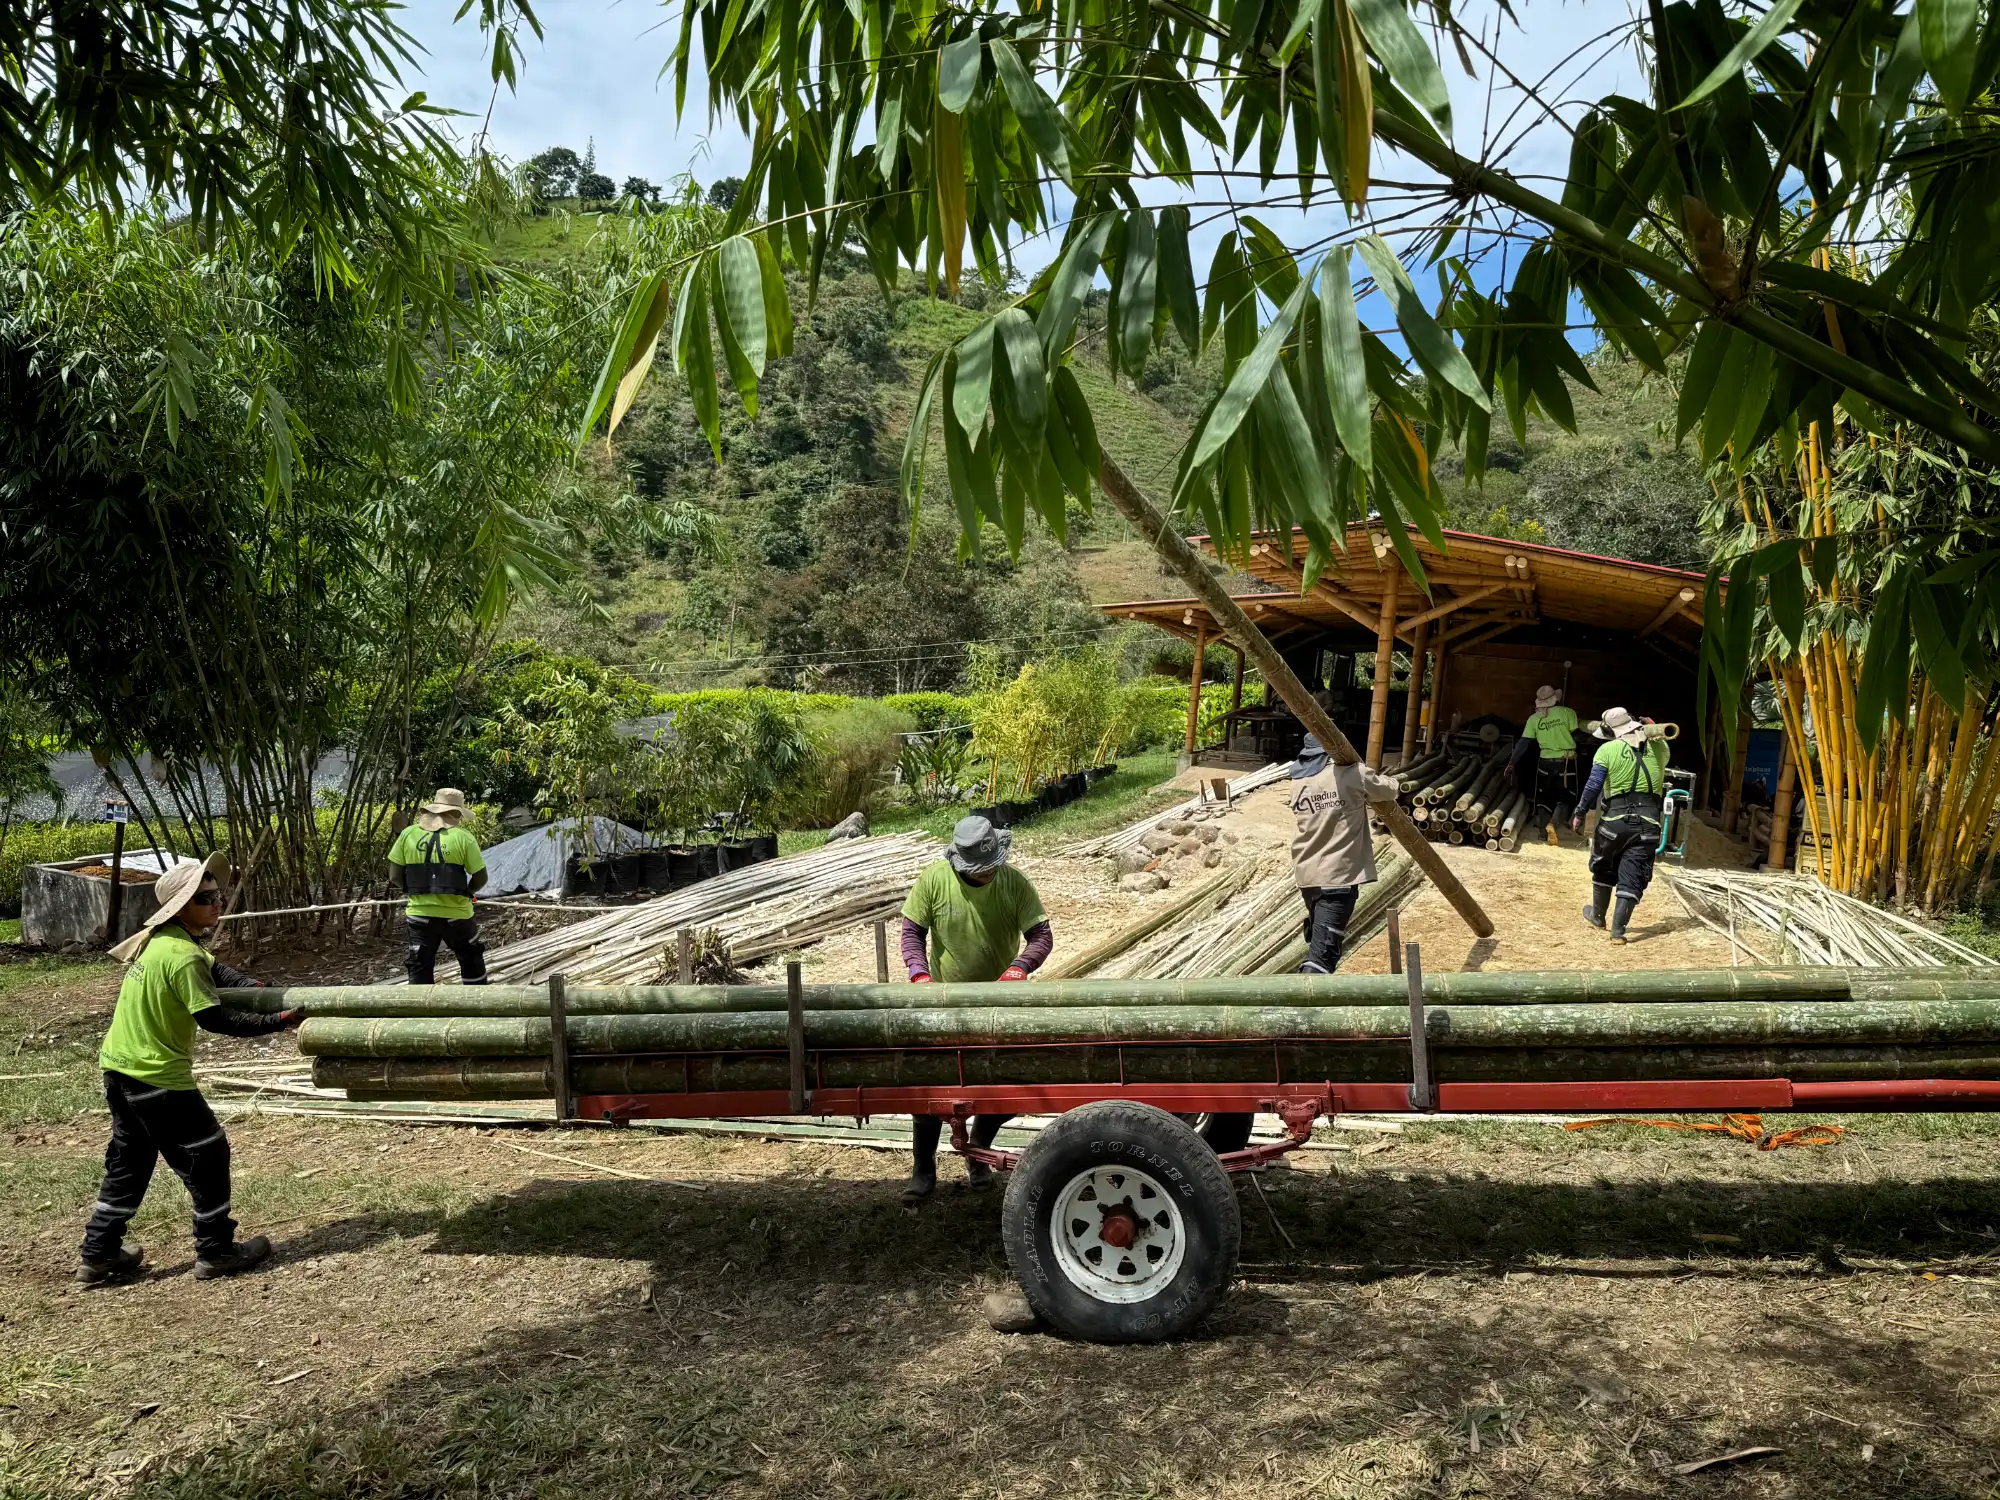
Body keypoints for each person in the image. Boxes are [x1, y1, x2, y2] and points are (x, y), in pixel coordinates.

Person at [81, 856, 300, 1285]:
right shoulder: (181, 956)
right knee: (208, 1153)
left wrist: (254, 988)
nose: (216, 904)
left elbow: (216, 968)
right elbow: (215, 1020)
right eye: (205, 899)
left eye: (217, 896)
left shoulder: (163, 941)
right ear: (181, 907)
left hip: (120, 1069)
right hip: (156, 1077)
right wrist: (279, 1021)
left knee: (132, 1160)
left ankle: (98, 1253)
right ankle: (216, 1250)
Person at [898, 815, 1054, 1205]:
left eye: (992, 867)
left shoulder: (1013, 883)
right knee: (932, 1087)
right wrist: (920, 977)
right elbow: (911, 931)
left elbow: (1041, 935)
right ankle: (923, 1170)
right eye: (980, 870)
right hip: (944, 1000)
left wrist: (1019, 969)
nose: (989, 874)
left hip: (1000, 1002)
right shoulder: (934, 880)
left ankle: (980, 1147)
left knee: (1007, 1086)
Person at [1288, 733, 1403, 972]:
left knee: (1319, 942)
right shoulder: (1352, 774)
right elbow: (1389, 790)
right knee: (1322, 959)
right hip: (1337, 878)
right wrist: (1395, 779)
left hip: (1307, 877)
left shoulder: (1297, 784)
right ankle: (1303, 1004)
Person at [1572, 706, 1673, 944]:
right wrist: (1651, 722)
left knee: (1604, 866)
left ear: (1609, 730)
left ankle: (1597, 917)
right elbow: (1662, 746)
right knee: (1633, 873)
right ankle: (1618, 931)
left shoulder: (1607, 749)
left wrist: (1580, 812)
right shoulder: (1660, 748)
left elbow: (1594, 785)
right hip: (1648, 823)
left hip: (1613, 822)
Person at [388, 788, 489, 985]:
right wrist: (469, 891)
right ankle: (477, 1006)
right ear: (456, 814)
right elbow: (480, 877)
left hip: (419, 914)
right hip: (458, 914)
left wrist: (410, 890)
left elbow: (394, 876)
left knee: (419, 964)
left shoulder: (408, 834)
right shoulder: (463, 837)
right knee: (471, 960)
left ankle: (421, 1011)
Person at [1518, 686, 1580, 834]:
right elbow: (1576, 734)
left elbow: (1524, 742)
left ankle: (1542, 832)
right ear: (1555, 699)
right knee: (1566, 794)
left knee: (1543, 795)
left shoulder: (1534, 718)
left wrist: (1512, 762)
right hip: (1566, 761)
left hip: (1545, 761)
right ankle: (1553, 824)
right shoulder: (1568, 712)